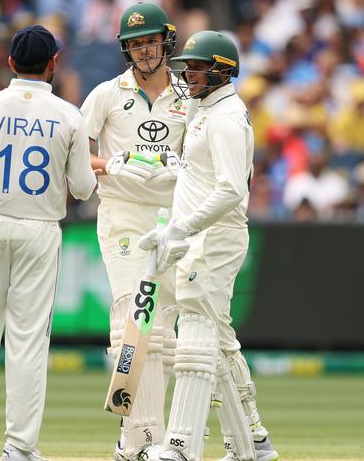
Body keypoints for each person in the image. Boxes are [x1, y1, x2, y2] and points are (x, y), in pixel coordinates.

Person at [0, 25, 96, 461]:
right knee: (27, 341)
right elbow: (82, 188)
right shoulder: (69, 115)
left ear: (10, 63)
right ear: (53, 65)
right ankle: (20, 448)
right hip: (40, 230)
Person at [139, 31, 279, 461]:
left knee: (196, 337)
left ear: (222, 70)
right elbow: (200, 175)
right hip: (200, 235)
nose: (189, 75)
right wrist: (167, 175)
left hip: (214, 237)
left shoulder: (226, 117)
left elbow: (231, 190)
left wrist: (183, 228)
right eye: (188, 67)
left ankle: (182, 445)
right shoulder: (206, 110)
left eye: (197, 68)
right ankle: (250, 444)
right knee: (216, 340)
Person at [80, 3, 193, 461]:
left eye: (149, 41)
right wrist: (110, 163)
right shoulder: (107, 94)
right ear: (126, 49)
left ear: (165, 41)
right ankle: (143, 439)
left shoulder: (189, 96)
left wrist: (184, 166)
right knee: (132, 316)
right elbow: (72, 154)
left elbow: (208, 159)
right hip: (123, 215)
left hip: (174, 220)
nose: (144, 50)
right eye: (135, 43)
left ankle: (136, 443)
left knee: (162, 334)